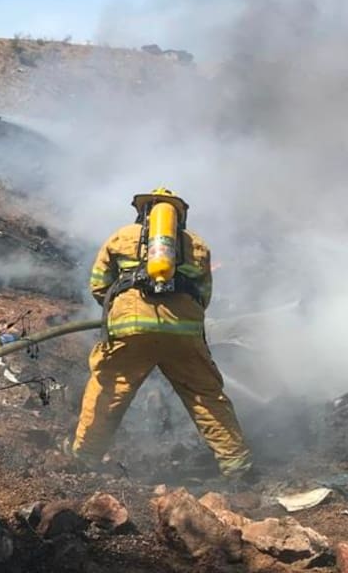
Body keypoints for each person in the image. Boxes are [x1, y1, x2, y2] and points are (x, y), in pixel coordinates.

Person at [67, 187, 255, 481]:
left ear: (143, 211)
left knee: (108, 390)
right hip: (183, 332)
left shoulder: (121, 237)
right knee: (205, 395)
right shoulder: (198, 245)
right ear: (180, 214)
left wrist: (122, 310)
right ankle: (236, 465)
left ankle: (85, 458)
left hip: (130, 329)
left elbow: (99, 285)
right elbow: (204, 296)